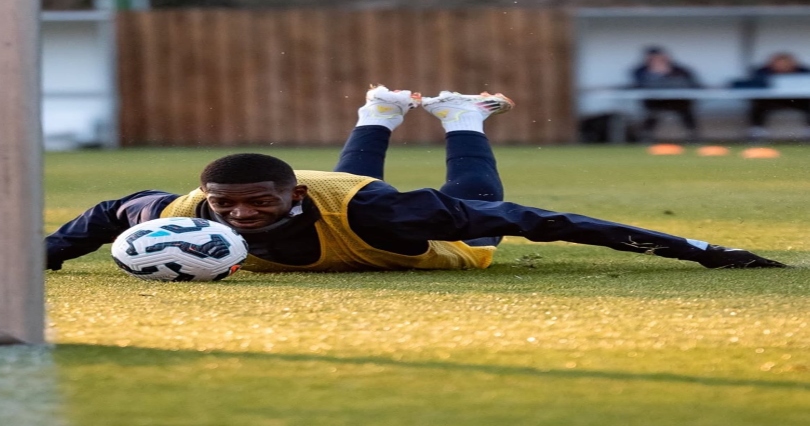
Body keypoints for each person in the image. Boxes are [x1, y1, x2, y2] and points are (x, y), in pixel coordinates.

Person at [46, 86, 788, 273]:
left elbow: (546, 220)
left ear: (289, 197)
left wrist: (701, 251)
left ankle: (462, 117)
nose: (237, 215)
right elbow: (104, 215)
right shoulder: (178, 212)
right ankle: (380, 109)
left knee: (478, 205)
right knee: (352, 192)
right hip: (337, 199)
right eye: (225, 204)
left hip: (395, 224)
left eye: (255, 202)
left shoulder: (389, 220)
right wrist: (36, 259)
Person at [630, 46, 702, 143]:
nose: (656, 60)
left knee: (686, 110)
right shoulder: (640, 70)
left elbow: (690, 83)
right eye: (653, 58)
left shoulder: (678, 69)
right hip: (654, 101)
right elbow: (641, 83)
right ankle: (646, 135)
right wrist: (655, 73)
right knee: (652, 112)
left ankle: (693, 135)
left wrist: (667, 73)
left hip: (677, 101)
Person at [746, 52, 810, 141]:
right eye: (780, 63)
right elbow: (755, 84)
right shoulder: (762, 71)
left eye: (786, 63)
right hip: (772, 100)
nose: (783, 66)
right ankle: (757, 131)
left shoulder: (803, 71)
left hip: (797, 100)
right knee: (758, 104)